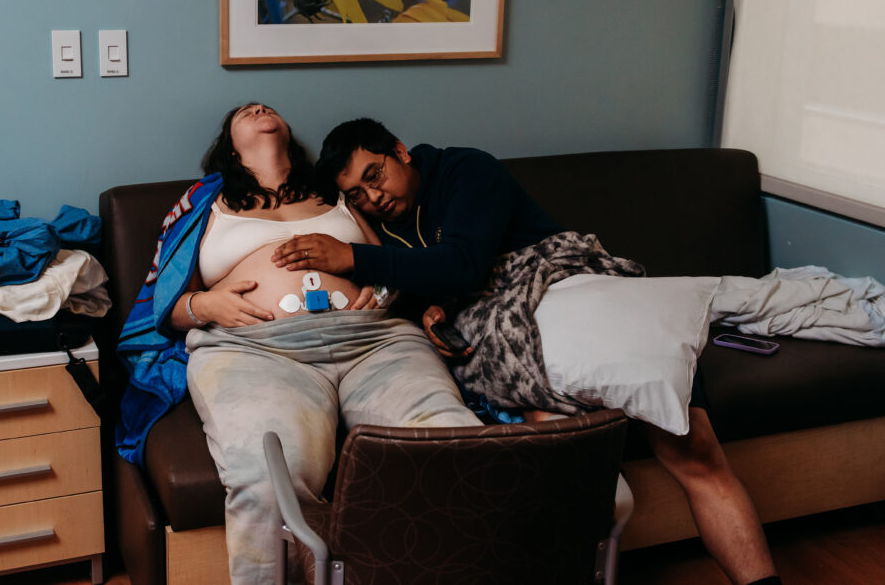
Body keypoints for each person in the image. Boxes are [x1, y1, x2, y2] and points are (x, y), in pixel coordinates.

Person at [271, 118, 782, 585]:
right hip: (521, 344)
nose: (373, 197)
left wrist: (355, 258)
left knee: (697, 451)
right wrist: (429, 309)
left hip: (574, 292)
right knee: (548, 445)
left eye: (375, 175)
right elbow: (432, 289)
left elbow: (465, 264)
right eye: (357, 194)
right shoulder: (379, 228)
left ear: (402, 153)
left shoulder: (467, 170)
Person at [138, 105, 481, 585]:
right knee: (266, 475)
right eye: (244, 112)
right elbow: (167, 304)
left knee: (451, 443)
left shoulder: (337, 196)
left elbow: (390, 266)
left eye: (265, 106)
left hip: (374, 342)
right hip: (258, 351)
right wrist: (207, 306)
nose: (258, 108)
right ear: (228, 146)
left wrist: (383, 291)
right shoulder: (204, 203)